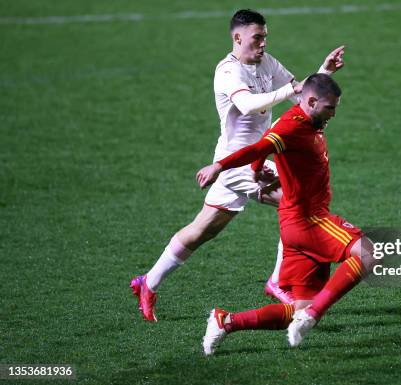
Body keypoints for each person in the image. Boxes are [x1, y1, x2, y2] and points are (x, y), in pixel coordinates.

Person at [130, 9, 346, 322]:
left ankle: (147, 283)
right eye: (257, 38)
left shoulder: (267, 63)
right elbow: (247, 105)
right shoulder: (227, 72)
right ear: (237, 37)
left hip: (251, 158)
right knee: (296, 208)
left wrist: (323, 73)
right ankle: (278, 281)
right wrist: (290, 89)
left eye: (265, 38)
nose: (262, 44)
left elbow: (301, 95)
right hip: (236, 162)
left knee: (203, 229)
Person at [197, 74, 381, 355]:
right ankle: (313, 315)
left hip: (294, 227)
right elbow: (258, 147)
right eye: (330, 108)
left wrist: (258, 170)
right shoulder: (291, 128)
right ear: (311, 101)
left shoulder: (308, 121)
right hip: (309, 220)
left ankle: (226, 322)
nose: (334, 113)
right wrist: (219, 167)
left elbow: (264, 146)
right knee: (367, 254)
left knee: (298, 309)